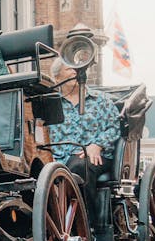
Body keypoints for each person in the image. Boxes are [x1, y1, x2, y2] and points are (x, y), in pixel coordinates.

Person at [44, 59, 121, 214]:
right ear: (57, 78)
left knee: (78, 167)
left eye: (77, 69)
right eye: (69, 69)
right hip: (57, 158)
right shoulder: (49, 104)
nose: (74, 71)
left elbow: (114, 126)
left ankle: (87, 226)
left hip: (93, 156)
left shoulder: (101, 100)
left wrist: (97, 145)